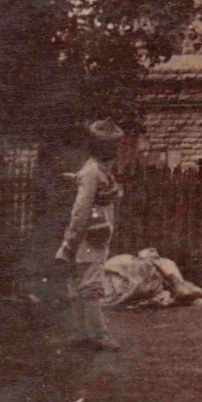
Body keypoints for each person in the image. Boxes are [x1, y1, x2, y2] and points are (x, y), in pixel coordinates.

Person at [56, 119, 126, 351]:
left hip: (93, 236)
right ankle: (99, 336)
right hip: (88, 237)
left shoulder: (96, 170)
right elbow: (81, 210)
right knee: (91, 285)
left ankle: (81, 333)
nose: (115, 150)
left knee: (79, 284)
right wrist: (71, 240)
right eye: (112, 146)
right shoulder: (92, 171)